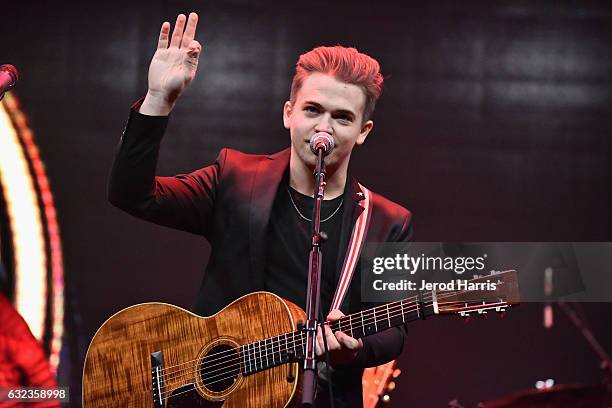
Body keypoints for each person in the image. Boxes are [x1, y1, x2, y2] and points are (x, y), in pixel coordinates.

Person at [109, 12, 412, 407]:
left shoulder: (387, 221)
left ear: (363, 132)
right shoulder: (234, 176)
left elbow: (396, 329)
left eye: (342, 117)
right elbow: (131, 194)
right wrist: (157, 101)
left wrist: (353, 349)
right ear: (288, 113)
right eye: (312, 110)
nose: (325, 128)